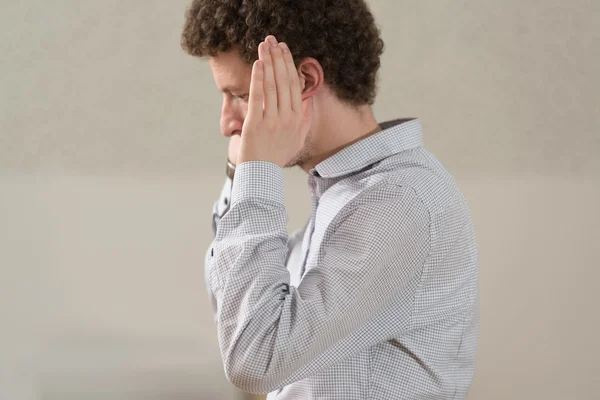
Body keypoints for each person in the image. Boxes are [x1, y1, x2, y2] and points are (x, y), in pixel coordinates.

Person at [181, 1, 479, 399]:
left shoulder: (399, 203)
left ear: (304, 81)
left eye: (239, 96)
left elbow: (255, 358)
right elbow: (238, 318)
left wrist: (257, 171)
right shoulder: (342, 197)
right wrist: (239, 179)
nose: (227, 123)